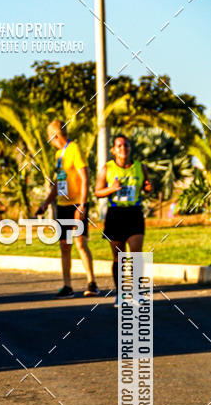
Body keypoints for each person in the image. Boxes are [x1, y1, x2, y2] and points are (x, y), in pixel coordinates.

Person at [35, 120, 99, 298]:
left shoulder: (74, 149)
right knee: (65, 245)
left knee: (80, 242)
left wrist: (83, 205)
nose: (50, 141)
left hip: (77, 204)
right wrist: (46, 203)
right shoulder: (59, 155)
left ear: (55, 136)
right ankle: (67, 286)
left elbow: (85, 177)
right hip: (62, 205)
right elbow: (58, 183)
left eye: (50, 137)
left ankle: (92, 283)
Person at [95, 134, 153, 305]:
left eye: (126, 145)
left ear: (130, 148)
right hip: (115, 214)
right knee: (118, 257)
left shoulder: (140, 167)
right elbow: (98, 192)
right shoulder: (107, 168)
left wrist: (149, 187)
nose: (123, 148)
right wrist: (111, 189)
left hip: (134, 213)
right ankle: (120, 294)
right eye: (119, 146)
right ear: (113, 150)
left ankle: (136, 292)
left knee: (136, 254)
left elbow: (147, 186)